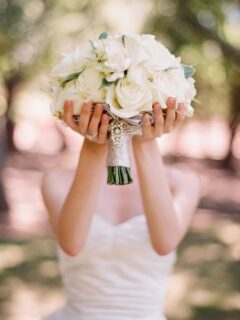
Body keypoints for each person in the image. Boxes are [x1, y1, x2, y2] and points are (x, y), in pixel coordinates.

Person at [41, 97, 202, 320]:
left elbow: (164, 243)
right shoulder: (56, 181)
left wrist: (145, 142)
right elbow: (72, 245)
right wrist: (94, 145)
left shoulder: (183, 183)